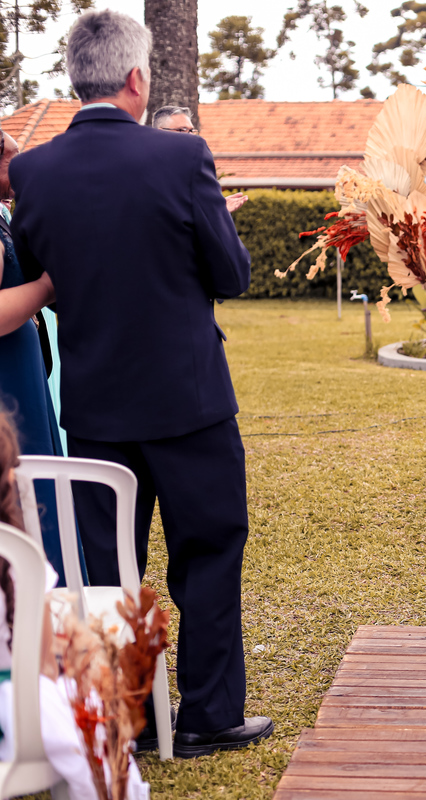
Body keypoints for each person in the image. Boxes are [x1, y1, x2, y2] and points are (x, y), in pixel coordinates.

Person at [9, 9, 272, 757]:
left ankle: (128, 718)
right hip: (190, 403)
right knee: (209, 552)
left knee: (107, 568)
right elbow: (230, 274)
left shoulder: (32, 171)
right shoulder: (182, 158)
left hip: (95, 408)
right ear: (135, 77)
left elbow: (39, 271)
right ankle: (208, 716)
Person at [0, 411, 151, 800]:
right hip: (16, 717)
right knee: (80, 698)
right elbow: (45, 662)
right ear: (9, 479)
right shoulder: (19, 561)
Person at [0, 124, 74, 585]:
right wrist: (48, 286)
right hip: (7, 381)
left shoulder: (7, 215)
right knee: (23, 480)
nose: (21, 161)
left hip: (22, 369)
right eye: (12, 155)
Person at [151, 106, 246, 215]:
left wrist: (216, 210)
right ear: (161, 132)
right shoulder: (147, 168)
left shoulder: (192, 169)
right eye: (182, 130)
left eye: (191, 131)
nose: (191, 136)